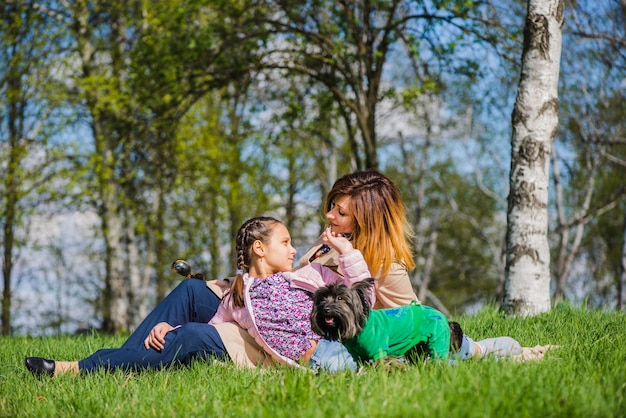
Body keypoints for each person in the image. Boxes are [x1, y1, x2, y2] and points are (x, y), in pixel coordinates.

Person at [25, 170, 419, 374]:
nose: (328, 215)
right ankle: (126, 362)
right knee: (192, 293)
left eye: (340, 211)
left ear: (366, 216)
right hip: (261, 320)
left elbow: (412, 319)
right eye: (332, 205)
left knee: (196, 334)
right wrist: (233, 285)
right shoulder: (322, 247)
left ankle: (98, 367)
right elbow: (283, 286)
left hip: (295, 343)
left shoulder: (386, 266)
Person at [25, 216, 374, 375]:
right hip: (254, 338)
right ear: (259, 249)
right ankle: (95, 367)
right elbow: (217, 322)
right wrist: (167, 328)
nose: (294, 248)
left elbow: (363, 296)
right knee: (190, 327)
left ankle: (108, 365)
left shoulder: (308, 276)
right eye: (285, 242)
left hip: (304, 357)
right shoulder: (240, 294)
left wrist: (346, 252)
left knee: (191, 332)